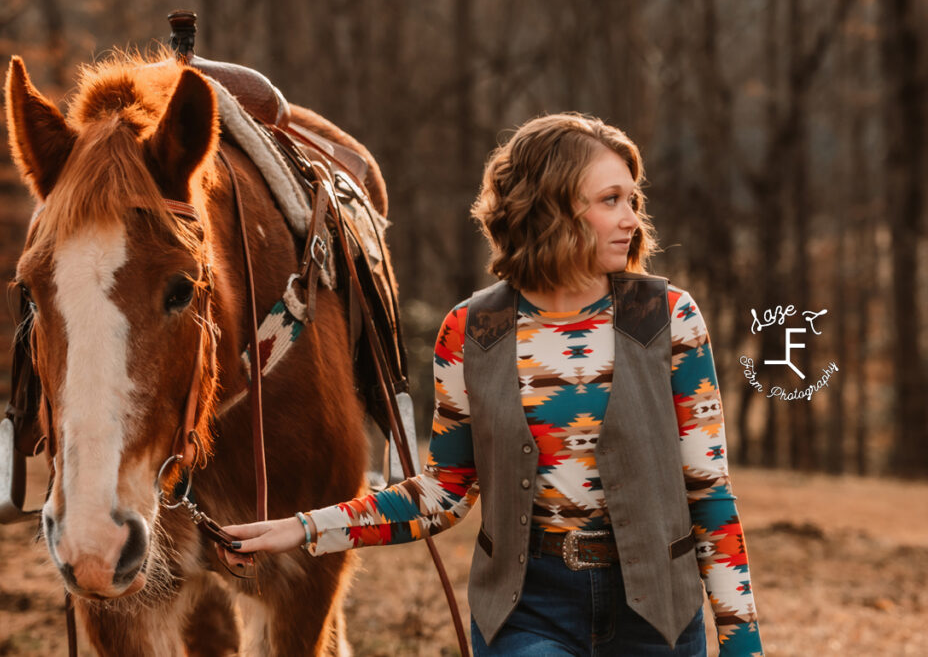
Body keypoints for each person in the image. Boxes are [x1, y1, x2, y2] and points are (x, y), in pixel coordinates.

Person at [220, 113, 764, 656]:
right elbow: (443, 493)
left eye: (632, 200)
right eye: (609, 201)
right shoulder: (474, 330)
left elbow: (708, 492)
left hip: (657, 611)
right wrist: (303, 529)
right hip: (529, 609)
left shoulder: (669, 318)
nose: (632, 221)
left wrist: (743, 643)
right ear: (551, 210)